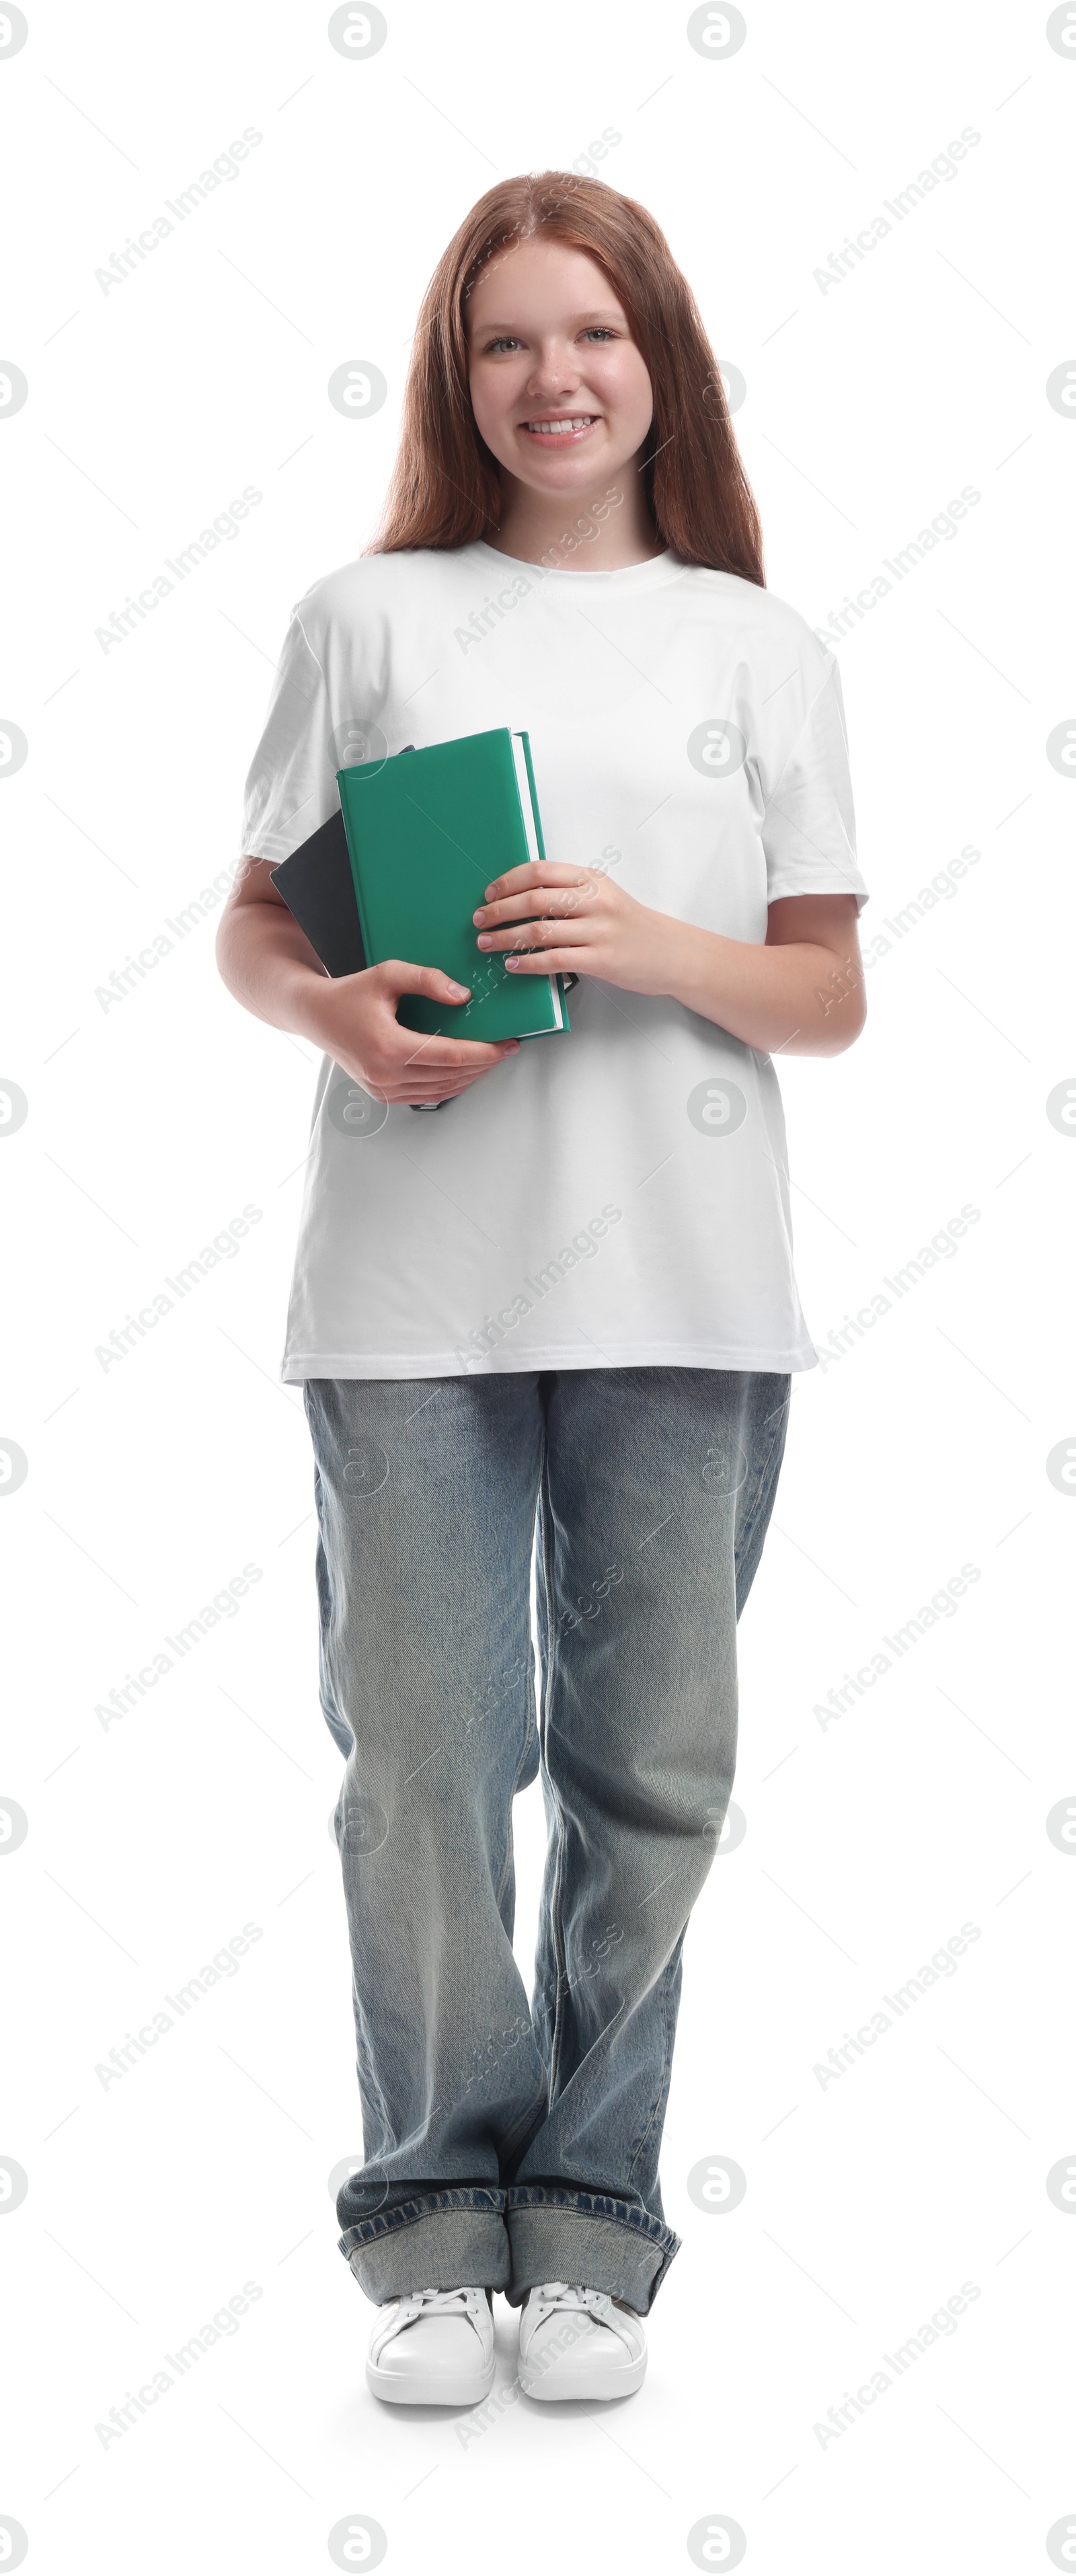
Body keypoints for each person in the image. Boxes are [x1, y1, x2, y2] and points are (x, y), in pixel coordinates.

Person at [216, 169, 868, 2411]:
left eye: (590, 333)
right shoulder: (369, 615)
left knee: (648, 1768)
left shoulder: (757, 644)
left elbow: (826, 998)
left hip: (689, 1290)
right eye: (505, 340)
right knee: (422, 1767)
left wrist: (646, 948)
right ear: (456, 375)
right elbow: (254, 926)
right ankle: (433, 2219)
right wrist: (341, 1020)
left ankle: (591, 2222)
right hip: (411, 1286)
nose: (552, 377)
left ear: (659, 358)